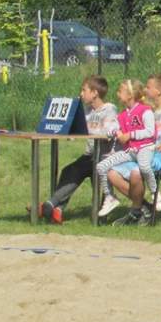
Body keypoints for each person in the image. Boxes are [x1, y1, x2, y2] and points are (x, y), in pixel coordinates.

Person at [102, 73, 161, 225]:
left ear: (159, 91)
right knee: (111, 173)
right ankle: (144, 207)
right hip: (139, 153)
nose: (144, 90)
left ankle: (136, 212)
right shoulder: (145, 110)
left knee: (136, 172)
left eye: (148, 87)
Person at [38, 76, 118, 224]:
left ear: (94, 93)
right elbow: (75, 128)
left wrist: (89, 132)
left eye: (84, 90)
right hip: (90, 156)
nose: (81, 94)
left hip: (105, 157)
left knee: (87, 173)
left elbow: (109, 132)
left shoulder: (109, 109)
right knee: (69, 170)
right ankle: (57, 209)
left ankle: (49, 205)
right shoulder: (85, 111)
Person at [95, 79, 158, 224]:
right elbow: (116, 128)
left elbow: (149, 133)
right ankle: (140, 207)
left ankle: (140, 209)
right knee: (110, 172)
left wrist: (129, 135)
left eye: (120, 91)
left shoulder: (145, 111)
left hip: (145, 153)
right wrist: (113, 131)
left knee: (136, 173)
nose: (117, 93)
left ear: (130, 95)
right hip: (130, 153)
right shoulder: (123, 114)